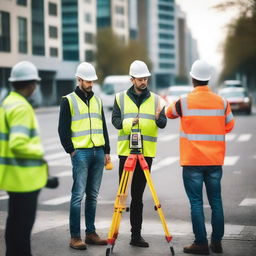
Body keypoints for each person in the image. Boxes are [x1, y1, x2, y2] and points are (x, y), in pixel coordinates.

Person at [166, 60, 235, 255]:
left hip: (193, 161)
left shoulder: (184, 101)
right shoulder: (222, 102)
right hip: (214, 162)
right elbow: (229, 126)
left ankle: (201, 242)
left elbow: (168, 113)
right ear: (209, 79)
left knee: (196, 202)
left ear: (192, 78)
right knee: (216, 201)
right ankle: (216, 242)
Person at [112, 60, 167, 248]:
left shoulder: (157, 100)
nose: (144, 81)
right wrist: (130, 124)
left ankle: (136, 235)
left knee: (137, 196)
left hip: (146, 155)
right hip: (125, 154)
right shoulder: (119, 98)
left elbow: (163, 123)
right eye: (140, 78)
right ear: (132, 79)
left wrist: (160, 117)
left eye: (145, 78)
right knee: (122, 196)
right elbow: (116, 122)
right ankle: (114, 234)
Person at [58, 62, 111, 250]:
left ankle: (90, 233)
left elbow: (103, 126)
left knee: (93, 196)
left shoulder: (97, 100)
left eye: (92, 81)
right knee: (77, 195)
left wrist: (107, 150)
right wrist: (71, 150)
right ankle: (75, 237)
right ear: (79, 79)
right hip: (80, 153)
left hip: (98, 151)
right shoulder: (69, 100)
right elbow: (62, 130)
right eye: (87, 81)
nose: (90, 84)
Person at [0, 61, 48, 256]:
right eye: (35, 84)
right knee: (22, 230)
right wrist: (39, 151)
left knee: (14, 228)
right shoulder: (21, 107)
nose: (35, 88)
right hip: (24, 181)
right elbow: (18, 144)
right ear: (30, 84)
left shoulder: (8, 103)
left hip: (13, 177)